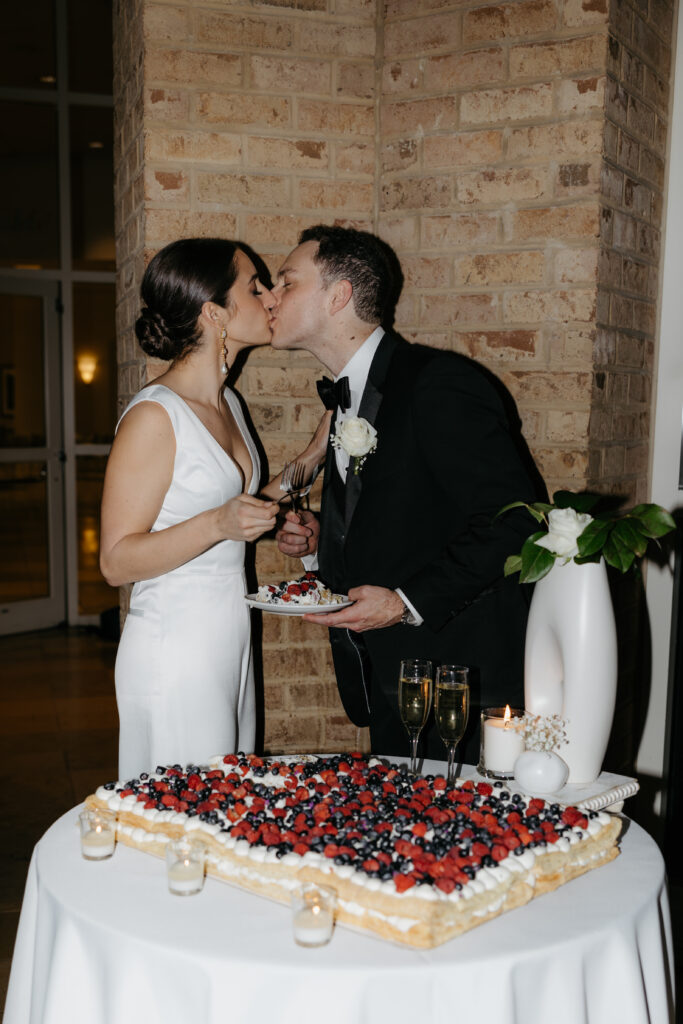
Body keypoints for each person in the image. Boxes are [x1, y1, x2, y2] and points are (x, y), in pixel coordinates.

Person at [273, 225, 540, 765]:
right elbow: (407, 509)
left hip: (457, 683)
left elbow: (513, 521)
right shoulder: (347, 398)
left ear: (338, 296)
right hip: (397, 677)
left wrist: (404, 603)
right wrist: (324, 537)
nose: (272, 297)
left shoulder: (438, 383)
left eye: (286, 283)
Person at [100, 238, 328, 778]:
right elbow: (115, 561)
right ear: (213, 312)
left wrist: (314, 455)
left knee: (227, 804)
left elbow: (242, 508)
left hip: (227, 635)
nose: (271, 297)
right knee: (187, 819)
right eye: (254, 287)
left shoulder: (227, 402)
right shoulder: (155, 416)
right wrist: (216, 523)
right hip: (174, 646)